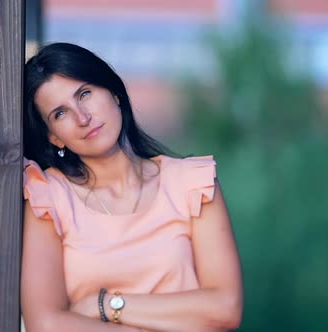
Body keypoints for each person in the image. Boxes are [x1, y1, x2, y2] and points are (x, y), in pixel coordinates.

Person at [20, 42, 243, 332]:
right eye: (60, 114)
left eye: (85, 94)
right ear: (54, 138)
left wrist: (105, 305)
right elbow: (45, 323)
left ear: (114, 93)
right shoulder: (48, 196)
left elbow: (225, 308)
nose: (82, 118)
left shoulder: (192, 184)